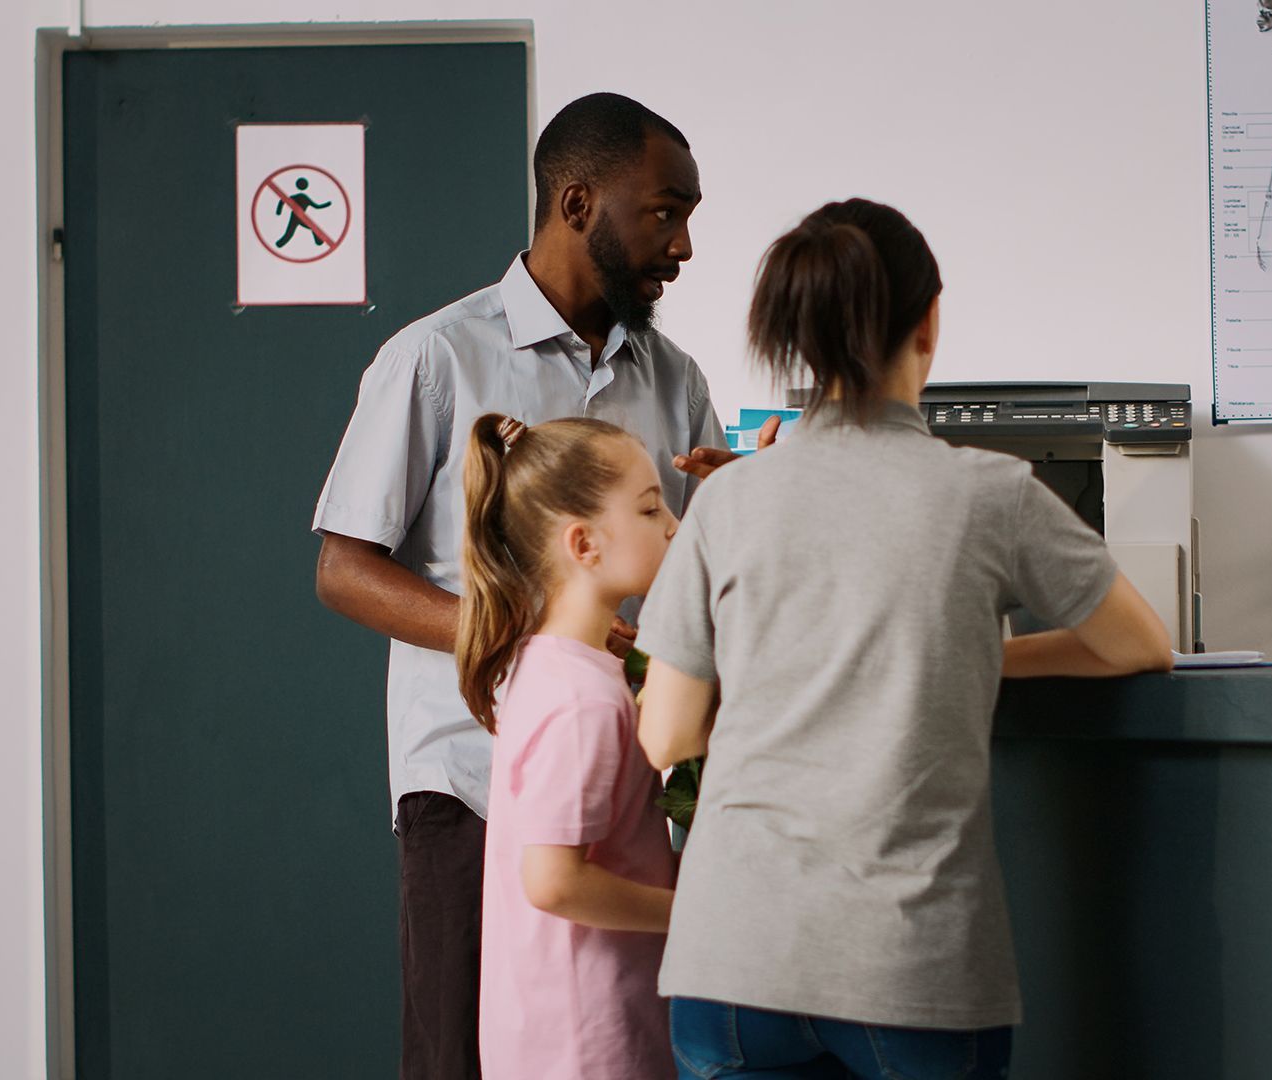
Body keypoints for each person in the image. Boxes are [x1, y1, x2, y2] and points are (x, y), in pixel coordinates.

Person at [633, 198, 1173, 1079]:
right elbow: (1137, 645)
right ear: (929, 320)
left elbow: (668, 734)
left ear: (795, 337)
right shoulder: (990, 493)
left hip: (732, 958)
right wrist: (964, 656)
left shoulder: (730, 500)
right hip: (907, 963)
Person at [311, 92, 753, 1079]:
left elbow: (701, 567)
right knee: (461, 1053)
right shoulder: (436, 358)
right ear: (579, 203)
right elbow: (343, 570)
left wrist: (741, 515)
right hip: (468, 783)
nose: (682, 245)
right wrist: (526, 634)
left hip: (627, 786)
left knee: (605, 1042)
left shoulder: (672, 376)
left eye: (689, 218)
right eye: (664, 212)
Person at [454, 413, 680, 1080]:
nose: (671, 522)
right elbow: (553, 881)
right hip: (590, 1044)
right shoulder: (583, 700)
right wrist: (696, 915)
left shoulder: (551, 665)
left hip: (548, 1032)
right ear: (583, 544)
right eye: (649, 507)